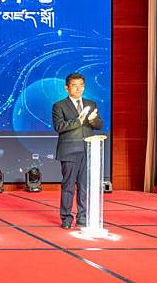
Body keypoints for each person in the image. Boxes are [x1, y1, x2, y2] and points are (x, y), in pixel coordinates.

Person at [52, 72, 104, 229]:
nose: (79, 89)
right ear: (67, 88)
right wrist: (79, 120)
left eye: (81, 85)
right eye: (75, 86)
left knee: (85, 186)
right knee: (68, 186)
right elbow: (59, 127)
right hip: (69, 151)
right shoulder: (59, 106)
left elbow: (99, 125)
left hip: (88, 151)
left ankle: (83, 217)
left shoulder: (91, 104)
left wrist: (92, 120)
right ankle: (66, 218)